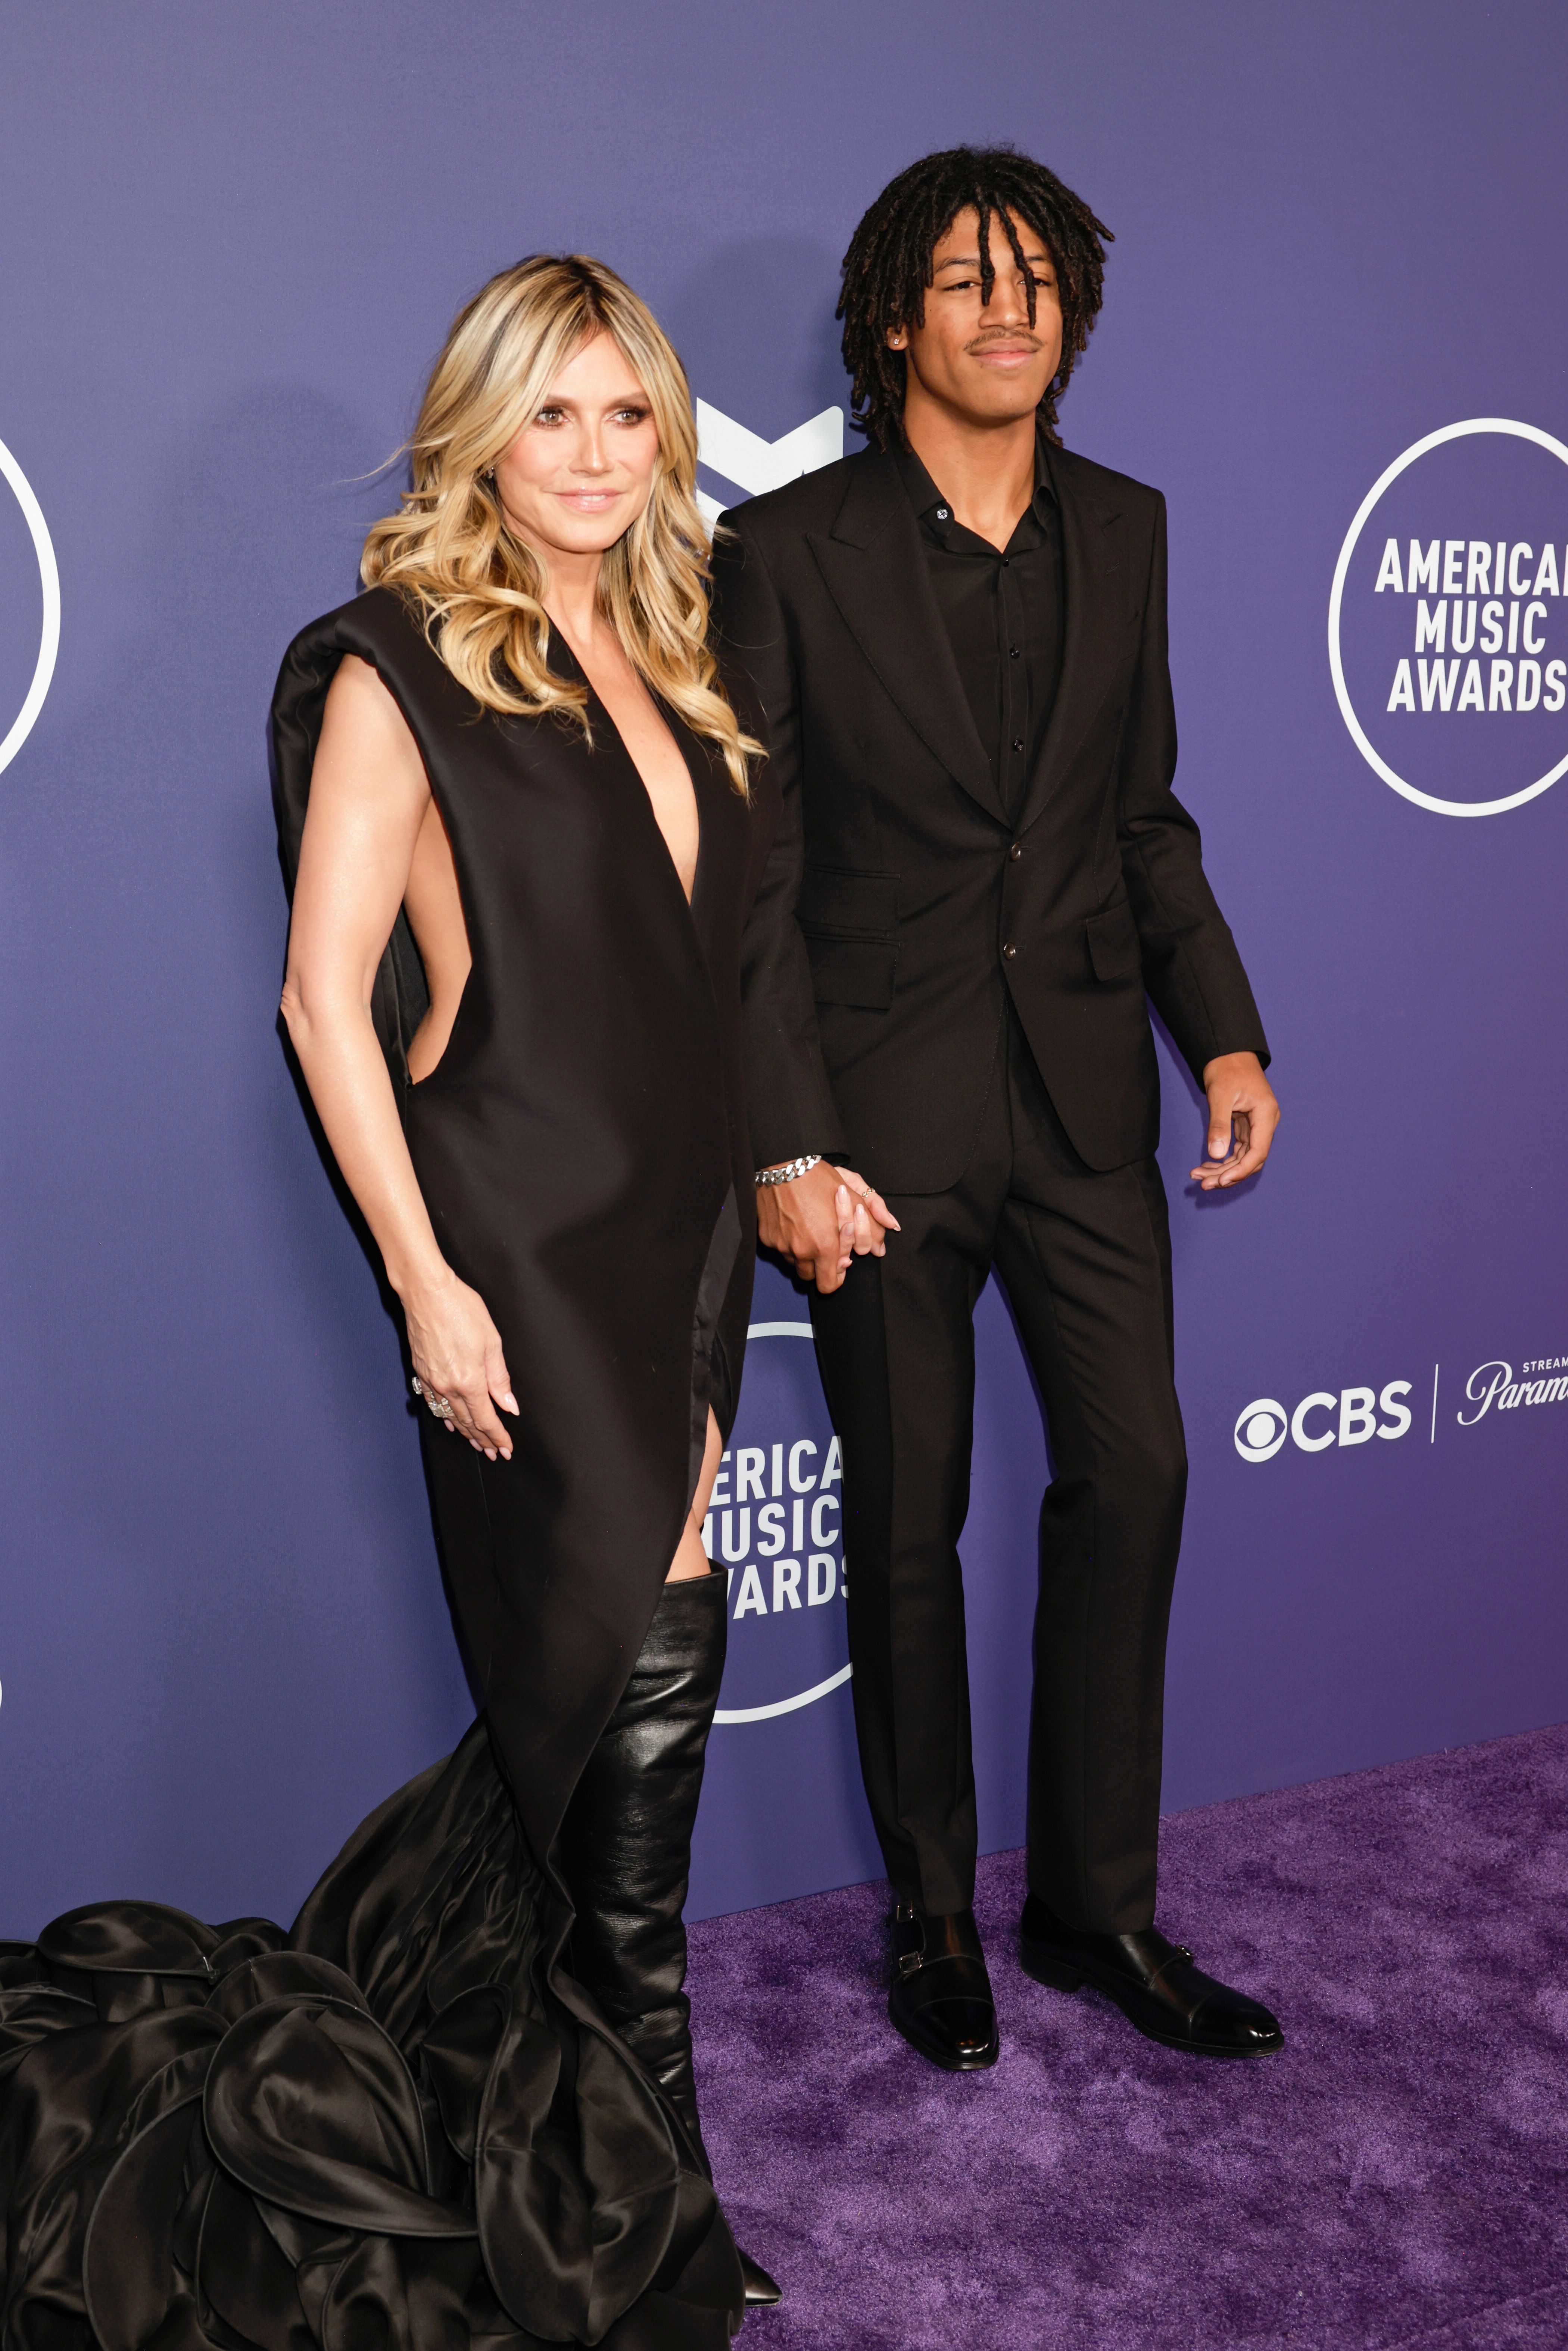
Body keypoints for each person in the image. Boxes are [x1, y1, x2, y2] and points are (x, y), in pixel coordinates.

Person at [0, 255, 790, 2344]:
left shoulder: (675, 652)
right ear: (482, 435)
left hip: (681, 1232)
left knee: (653, 1645)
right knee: (656, 1614)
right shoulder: (395, 662)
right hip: (518, 1229)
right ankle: (658, 2185)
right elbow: (322, 1000)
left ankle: (618, 2136)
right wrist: (429, 1285)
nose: (602, 458)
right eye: (558, 417)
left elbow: (718, 973)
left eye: (634, 416)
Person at [714, 147, 1285, 2074]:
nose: (1011, 309)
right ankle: (934, 1919)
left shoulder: (1126, 528)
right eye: (968, 280)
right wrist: (786, 1143)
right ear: (898, 320)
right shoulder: (788, 553)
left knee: (1140, 1471)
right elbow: (757, 881)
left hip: (1083, 1106)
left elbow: (1141, 818)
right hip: (878, 1129)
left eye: (1039, 279)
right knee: (906, 1523)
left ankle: (1095, 1910)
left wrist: (1222, 1032)